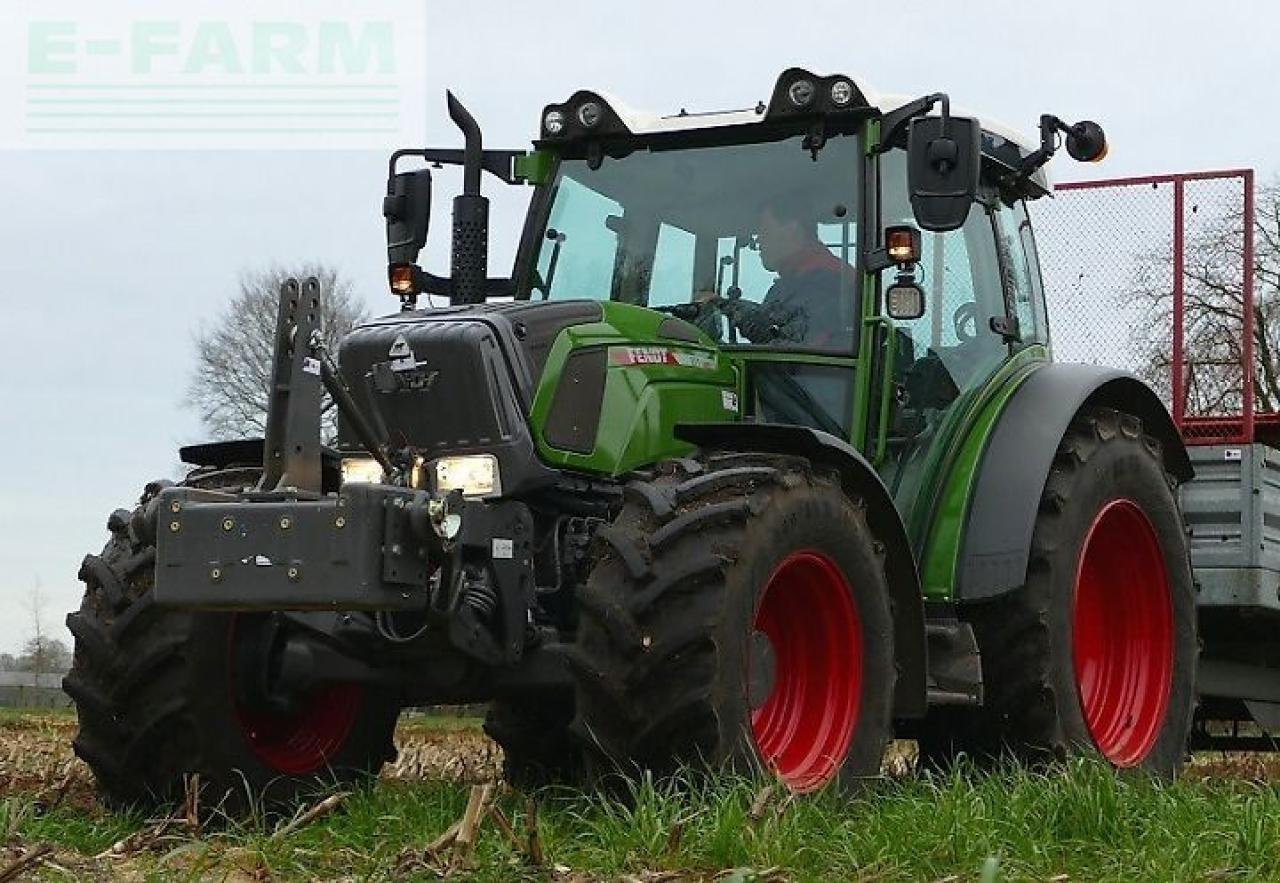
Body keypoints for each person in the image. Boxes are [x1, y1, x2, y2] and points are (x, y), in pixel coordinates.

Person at [698, 198, 857, 350]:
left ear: (792, 229)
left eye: (763, 230)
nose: (758, 240)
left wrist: (725, 305)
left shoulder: (829, 280)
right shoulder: (795, 282)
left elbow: (784, 338)